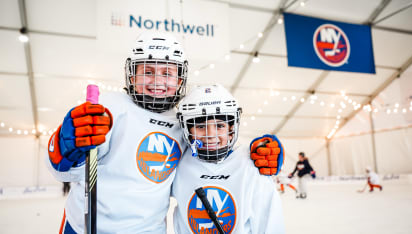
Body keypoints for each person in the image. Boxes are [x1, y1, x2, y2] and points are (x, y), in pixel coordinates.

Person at [45, 32, 280, 233]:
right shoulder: (108, 108)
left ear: (180, 78)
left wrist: (260, 153)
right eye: (147, 71)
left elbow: (214, 155)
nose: (157, 80)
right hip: (85, 227)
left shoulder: (184, 120)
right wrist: (68, 145)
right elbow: (64, 173)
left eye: (167, 73)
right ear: (132, 73)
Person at [172, 84, 285, 234]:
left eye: (219, 126)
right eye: (200, 126)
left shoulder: (251, 165)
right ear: (187, 129)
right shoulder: (178, 162)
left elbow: (269, 224)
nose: (210, 135)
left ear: (231, 129)